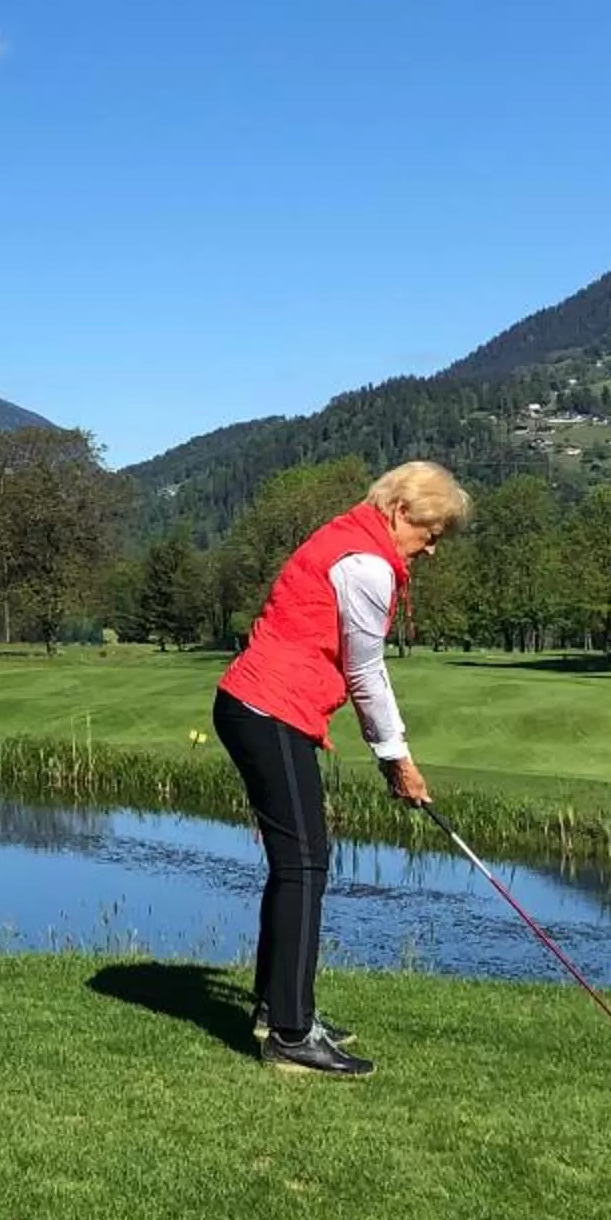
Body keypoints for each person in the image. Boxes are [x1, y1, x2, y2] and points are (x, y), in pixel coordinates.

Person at [214, 460, 472, 1077]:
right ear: (401, 511)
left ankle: (278, 1009)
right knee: (305, 863)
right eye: (430, 533)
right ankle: (291, 1036)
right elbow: (365, 672)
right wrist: (398, 759)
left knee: (294, 862)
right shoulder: (367, 564)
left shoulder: (349, 537)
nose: (432, 549)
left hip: (262, 706)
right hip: (269, 707)